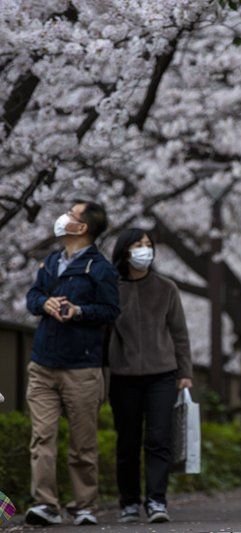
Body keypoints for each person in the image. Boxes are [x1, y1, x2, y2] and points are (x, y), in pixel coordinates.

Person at [24, 201, 120, 526]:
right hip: (43, 363)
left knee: (83, 443)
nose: (64, 216)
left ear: (82, 227)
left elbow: (111, 311)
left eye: (72, 213)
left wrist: (78, 311)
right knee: (42, 437)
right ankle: (45, 504)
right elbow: (32, 297)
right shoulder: (51, 261)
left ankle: (84, 505)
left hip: (82, 367)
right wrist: (45, 303)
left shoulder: (101, 268)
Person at [108, 228, 193, 523]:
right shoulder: (111, 289)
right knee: (127, 440)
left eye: (148, 245)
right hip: (122, 375)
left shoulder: (166, 288)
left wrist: (185, 372)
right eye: (138, 245)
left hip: (162, 374)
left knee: (159, 438)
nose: (145, 250)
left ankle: (157, 500)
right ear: (124, 251)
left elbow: (179, 332)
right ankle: (129, 502)